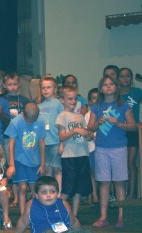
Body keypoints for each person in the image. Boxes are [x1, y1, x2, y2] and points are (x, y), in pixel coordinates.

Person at [87, 76, 136, 229]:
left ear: (116, 87)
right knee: (104, 182)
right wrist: (98, 123)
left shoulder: (123, 106)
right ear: (101, 88)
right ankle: (103, 216)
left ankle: (121, 216)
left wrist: (119, 123)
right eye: (105, 85)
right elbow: (90, 127)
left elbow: (134, 126)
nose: (108, 87)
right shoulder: (97, 106)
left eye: (111, 84)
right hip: (101, 148)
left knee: (120, 181)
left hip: (119, 148)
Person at [56, 87, 93, 216]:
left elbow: (84, 135)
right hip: (69, 156)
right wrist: (75, 131)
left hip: (82, 154)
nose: (73, 101)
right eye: (69, 99)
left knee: (79, 189)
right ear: (62, 100)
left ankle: (74, 216)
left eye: (75, 98)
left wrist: (88, 135)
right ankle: (54, 211)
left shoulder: (80, 117)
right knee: (68, 189)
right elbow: (62, 136)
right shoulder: (62, 116)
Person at [5, 102, 46, 215]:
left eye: (34, 120)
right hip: (20, 159)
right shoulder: (16, 122)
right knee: (22, 187)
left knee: (35, 189)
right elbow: (11, 144)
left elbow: (42, 143)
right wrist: (12, 164)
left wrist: (42, 164)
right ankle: (23, 215)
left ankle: (35, 214)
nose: (31, 122)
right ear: (23, 114)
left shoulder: (40, 122)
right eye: (29, 120)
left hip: (34, 160)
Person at [118, 67, 142, 199]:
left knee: (130, 163)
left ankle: (132, 194)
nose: (125, 78)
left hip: (133, 131)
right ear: (118, 79)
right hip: (119, 131)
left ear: (131, 79)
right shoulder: (116, 94)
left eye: (128, 76)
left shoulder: (137, 92)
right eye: (122, 76)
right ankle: (121, 194)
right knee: (120, 163)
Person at [2, 71, 30, 207]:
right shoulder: (2, 100)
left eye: (14, 84)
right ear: (5, 85)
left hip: (22, 138)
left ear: (18, 84)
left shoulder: (25, 100)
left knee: (19, 165)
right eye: (9, 84)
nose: (12, 87)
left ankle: (20, 196)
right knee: (9, 165)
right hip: (7, 137)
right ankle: (12, 195)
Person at [36, 76, 64, 194]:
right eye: (43, 88)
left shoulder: (58, 104)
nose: (46, 90)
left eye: (49, 87)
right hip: (43, 143)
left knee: (57, 169)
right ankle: (49, 193)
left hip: (56, 142)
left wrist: (62, 143)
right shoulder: (39, 106)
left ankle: (58, 193)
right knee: (46, 170)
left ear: (55, 89)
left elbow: (63, 123)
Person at [84, 88, 99, 205]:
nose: (96, 101)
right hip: (92, 147)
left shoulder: (105, 113)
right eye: (93, 98)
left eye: (98, 98)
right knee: (92, 172)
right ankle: (94, 194)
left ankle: (109, 194)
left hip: (104, 147)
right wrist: (92, 135)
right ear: (89, 101)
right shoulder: (87, 115)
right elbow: (86, 133)